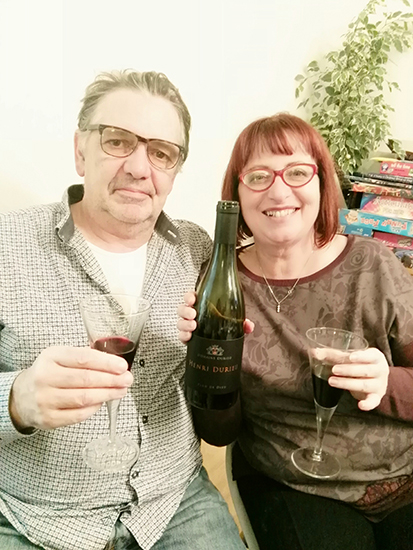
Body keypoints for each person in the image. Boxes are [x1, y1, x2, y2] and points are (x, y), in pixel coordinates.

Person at [0, 70, 245, 550]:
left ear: (175, 170)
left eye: (161, 153)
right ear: (80, 151)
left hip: (173, 502)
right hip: (36, 515)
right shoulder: (7, 245)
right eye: (117, 141)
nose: (139, 168)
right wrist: (13, 401)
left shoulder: (196, 249)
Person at [178, 113, 413, 550]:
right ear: (236, 195)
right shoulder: (220, 282)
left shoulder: (374, 265)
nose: (279, 190)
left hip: (404, 477)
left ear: (321, 183)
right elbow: (219, 434)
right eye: (258, 176)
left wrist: (388, 384)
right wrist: (206, 367)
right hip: (294, 485)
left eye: (298, 172)